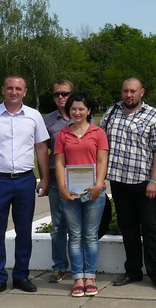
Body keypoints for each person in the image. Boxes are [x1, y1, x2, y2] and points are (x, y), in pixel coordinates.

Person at [0, 75, 50, 299]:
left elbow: (41, 149)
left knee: (24, 230)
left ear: (25, 92)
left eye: (18, 88)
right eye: (10, 88)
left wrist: (44, 178)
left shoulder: (34, 116)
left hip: (25, 180)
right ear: (3, 90)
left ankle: (21, 276)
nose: (14, 92)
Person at [101, 78, 156, 292]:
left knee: (151, 230)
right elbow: (100, 143)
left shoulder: (153, 115)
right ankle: (132, 270)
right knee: (128, 229)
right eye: (125, 91)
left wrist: (154, 180)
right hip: (119, 181)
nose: (128, 95)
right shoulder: (111, 113)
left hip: (144, 183)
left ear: (142, 92)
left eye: (133, 91)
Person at [54, 91, 108, 297]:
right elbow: (59, 162)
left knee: (90, 235)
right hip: (71, 192)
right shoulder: (63, 135)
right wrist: (62, 187)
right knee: (75, 235)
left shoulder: (98, 132)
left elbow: (102, 161)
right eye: (73, 109)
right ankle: (78, 277)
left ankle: (90, 276)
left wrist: (97, 185)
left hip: (93, 192)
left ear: (89, 111)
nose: (77, 112)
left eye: (81, 109)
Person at [43, 80, 74, 283]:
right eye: (57, 94)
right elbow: (42, 152)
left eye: (64, 93)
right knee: (58, 226)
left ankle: (81, 267)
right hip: (56, 179)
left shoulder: (82, 116)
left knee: (78, 227)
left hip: (79, 179)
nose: (61, 97)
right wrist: (44, 179)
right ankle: (59, 266)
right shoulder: (48, 121)